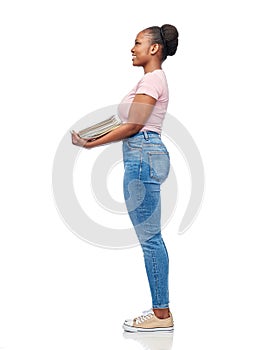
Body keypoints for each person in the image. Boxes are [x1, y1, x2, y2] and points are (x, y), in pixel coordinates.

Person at [71, 24, 179, 332]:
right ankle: (161, 312)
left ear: (154, 49)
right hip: (146, 154)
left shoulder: (151, 79)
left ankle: (161, 315)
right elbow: (131, 123)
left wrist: (92, 143)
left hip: (142, 155)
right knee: (151, 239)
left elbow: (134, 126)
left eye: (138, 43)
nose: (132, 49)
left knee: (150, 240)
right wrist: (94, 135)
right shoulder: (151, 81)